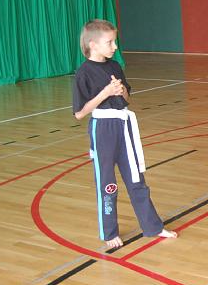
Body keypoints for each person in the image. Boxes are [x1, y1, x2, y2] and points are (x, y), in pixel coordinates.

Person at [72, 19, 178, 248]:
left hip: (124, 126)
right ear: (93, 44)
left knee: (136, 179)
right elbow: (79, 113)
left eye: (114, 41)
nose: (115, 46)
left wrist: (120, 91)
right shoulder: (84, 73)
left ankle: (153, 226)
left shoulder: (114, 66)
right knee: (107, 183)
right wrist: (104, 93)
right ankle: (109, 232)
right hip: (103, 129)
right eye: (110, 42)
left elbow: (127, 98)